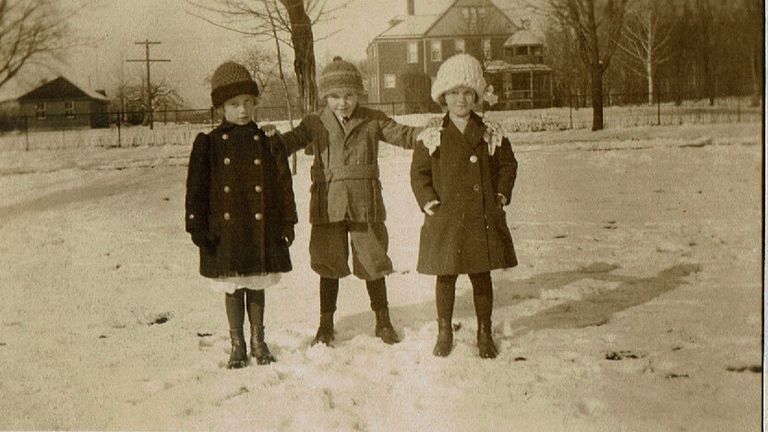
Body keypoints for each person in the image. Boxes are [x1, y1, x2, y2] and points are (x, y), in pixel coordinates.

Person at [272, 56, 423, 346]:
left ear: (359, 95)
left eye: (350, 95)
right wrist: (270, 139)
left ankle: (383, 321)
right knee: (328, 265)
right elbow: (290, 141)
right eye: (335, 96)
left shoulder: (372, 119)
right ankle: (325, 325)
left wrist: (427, 134)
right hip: (327, 205)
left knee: (373, 261)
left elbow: (403, 134)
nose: (343, 103)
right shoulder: (314, 122)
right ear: (326, 97)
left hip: (365, 204)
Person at [185, 61, 297, 368]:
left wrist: (288, 220)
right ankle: (237, 344)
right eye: (234, 104)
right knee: (233, 285)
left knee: (257, 284)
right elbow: (196, 189)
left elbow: (282, 183)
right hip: (225, 231)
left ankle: (259, 342)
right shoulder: (208, 144)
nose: (243, 110)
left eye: (248, 102)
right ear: (221, 107)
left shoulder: (266, 141)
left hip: (260, 227)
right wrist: (196, 226)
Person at [410, 54, 518, 359]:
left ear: (477, 96)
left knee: (481, 275)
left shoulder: (489, 132)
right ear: (443, 96)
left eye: (467, 92)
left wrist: (500, 195)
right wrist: (428, 200)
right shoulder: (432, 134)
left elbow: (508, 165)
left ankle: (485, 331)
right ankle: (444, 330)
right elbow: (419, 173)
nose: (460, 99)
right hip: (445, 217)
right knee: (445, 276)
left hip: (480, 217)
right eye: (454, 92)